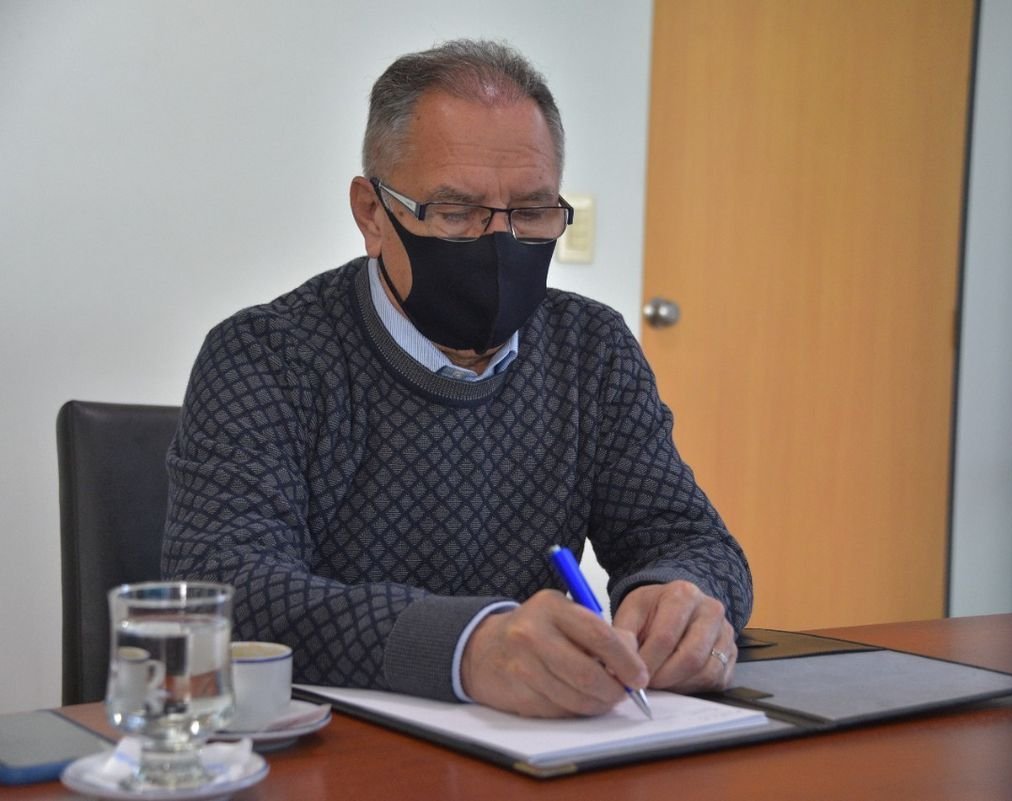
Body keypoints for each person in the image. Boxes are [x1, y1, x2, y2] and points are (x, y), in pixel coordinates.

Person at [162, 38, 752, 719]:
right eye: (454, 212)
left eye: (531, 211)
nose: (497, 243)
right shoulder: (266, 356)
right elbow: (226, 590)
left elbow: (689, 537)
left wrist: (680, 597)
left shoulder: (590, 349)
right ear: (372, 213)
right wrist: (465, 646)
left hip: (532, 743)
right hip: (329, 745)